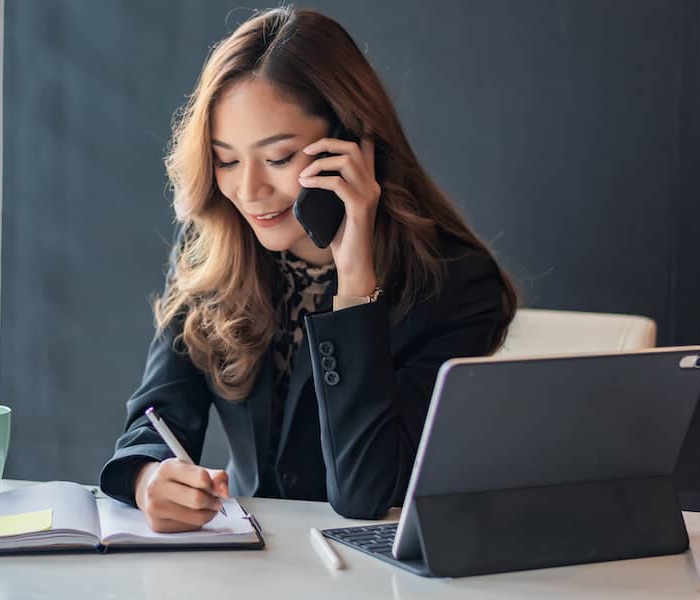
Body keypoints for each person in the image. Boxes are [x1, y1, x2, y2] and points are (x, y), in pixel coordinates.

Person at [99, 6, 518, 531]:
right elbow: (158, 413)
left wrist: (355, 284)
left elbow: (366, 493)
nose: (248, 192)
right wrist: (146, 476)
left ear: (352, 145)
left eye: (278, 158)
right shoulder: (213, 246)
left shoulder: (454, 284)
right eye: (226, 160)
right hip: (248, 563)